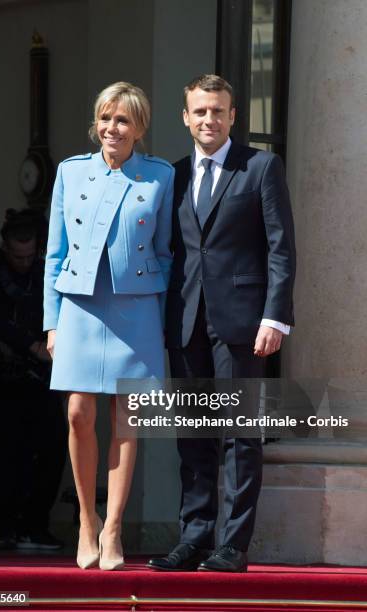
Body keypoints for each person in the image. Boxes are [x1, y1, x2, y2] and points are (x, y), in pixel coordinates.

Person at [148, 74, 296, 572]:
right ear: (185, 117)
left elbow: (281, 248)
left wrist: (275, 316)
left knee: (239, 434)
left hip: (242, 324)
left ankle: (232, 546)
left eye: (218, 111)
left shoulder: (260, 167)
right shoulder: (173, 176)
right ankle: (194, 537)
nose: (209, 119)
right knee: (191, 435)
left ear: (233, 116)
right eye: (200, 111)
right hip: (184, 321)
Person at [44, 81, 174, 570]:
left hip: (136, 308)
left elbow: (164, 252)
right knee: (78, 412)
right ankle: (86, 519)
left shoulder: (159, 176)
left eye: (122, 120)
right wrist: (51, 322)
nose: (111, 128)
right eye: (105, 118)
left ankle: (115, 527)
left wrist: (161, 322)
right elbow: (54, 254)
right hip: (78, 306)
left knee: (126, 418)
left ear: (139, 128)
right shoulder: (69, 173)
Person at [0, 208, 67, 550]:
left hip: (43, 374)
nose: (23, 262)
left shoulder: (45, 270)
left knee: (51, 446)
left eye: (29, 255)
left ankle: (35, 524)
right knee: (1, 449)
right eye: (16, 255)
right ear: (5, 247)